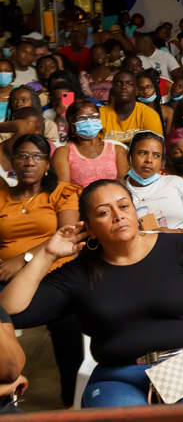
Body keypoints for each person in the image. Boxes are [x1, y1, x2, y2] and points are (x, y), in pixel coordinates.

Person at [0, 179, 183, 407]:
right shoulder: (78, 273)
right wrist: (47, 254)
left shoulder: (181, 248)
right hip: (118, 375)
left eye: (124, 206)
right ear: (89, 228)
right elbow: (11, 312)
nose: (118, 216)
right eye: (104, 212)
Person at [0, 134, 82, 405]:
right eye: (22, 155)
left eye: (36, 156)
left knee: (67, 322)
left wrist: (22, 259)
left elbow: (67, 234)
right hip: (6, 278)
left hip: (53, 273)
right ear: (12, 162)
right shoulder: (2, 196)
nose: (29, 162)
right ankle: (7, 388)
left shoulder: (62, 192)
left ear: (47, 163)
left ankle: (71, 398)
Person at [124, 131, 183, 235]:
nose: (149, 160)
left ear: (162, 161)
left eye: (156, 155)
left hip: (178, 247)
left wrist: (176, 233)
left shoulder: (176, 183)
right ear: (129, 157)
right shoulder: (118, 191)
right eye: (142, 153)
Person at [51, 100, 129, 186]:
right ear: (72, 122)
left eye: (94, 116)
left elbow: (122, 183)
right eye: (82, 118)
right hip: (77, 199)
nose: (89, 121)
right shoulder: (63, 152)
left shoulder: (117, 150)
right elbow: (64, 187)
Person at [99, 70, 163, 143]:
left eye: (129, 84)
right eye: (118, 83)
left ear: (136, 91)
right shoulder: (100, 114)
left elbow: (153, 148)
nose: (123, 87)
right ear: (112, 91)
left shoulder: (149, 115)